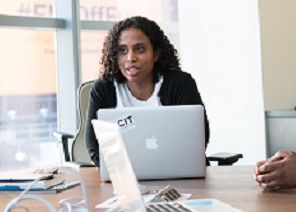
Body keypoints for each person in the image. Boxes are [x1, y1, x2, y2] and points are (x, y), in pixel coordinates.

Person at [85, 16, 210, 167]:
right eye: (123, 50)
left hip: (178, 175)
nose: (131, 58)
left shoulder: (180, 84)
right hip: (125, 179)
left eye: (140, 49)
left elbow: (198, 139)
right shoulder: (104, 89)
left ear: (156, 54)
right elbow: (95, 148)